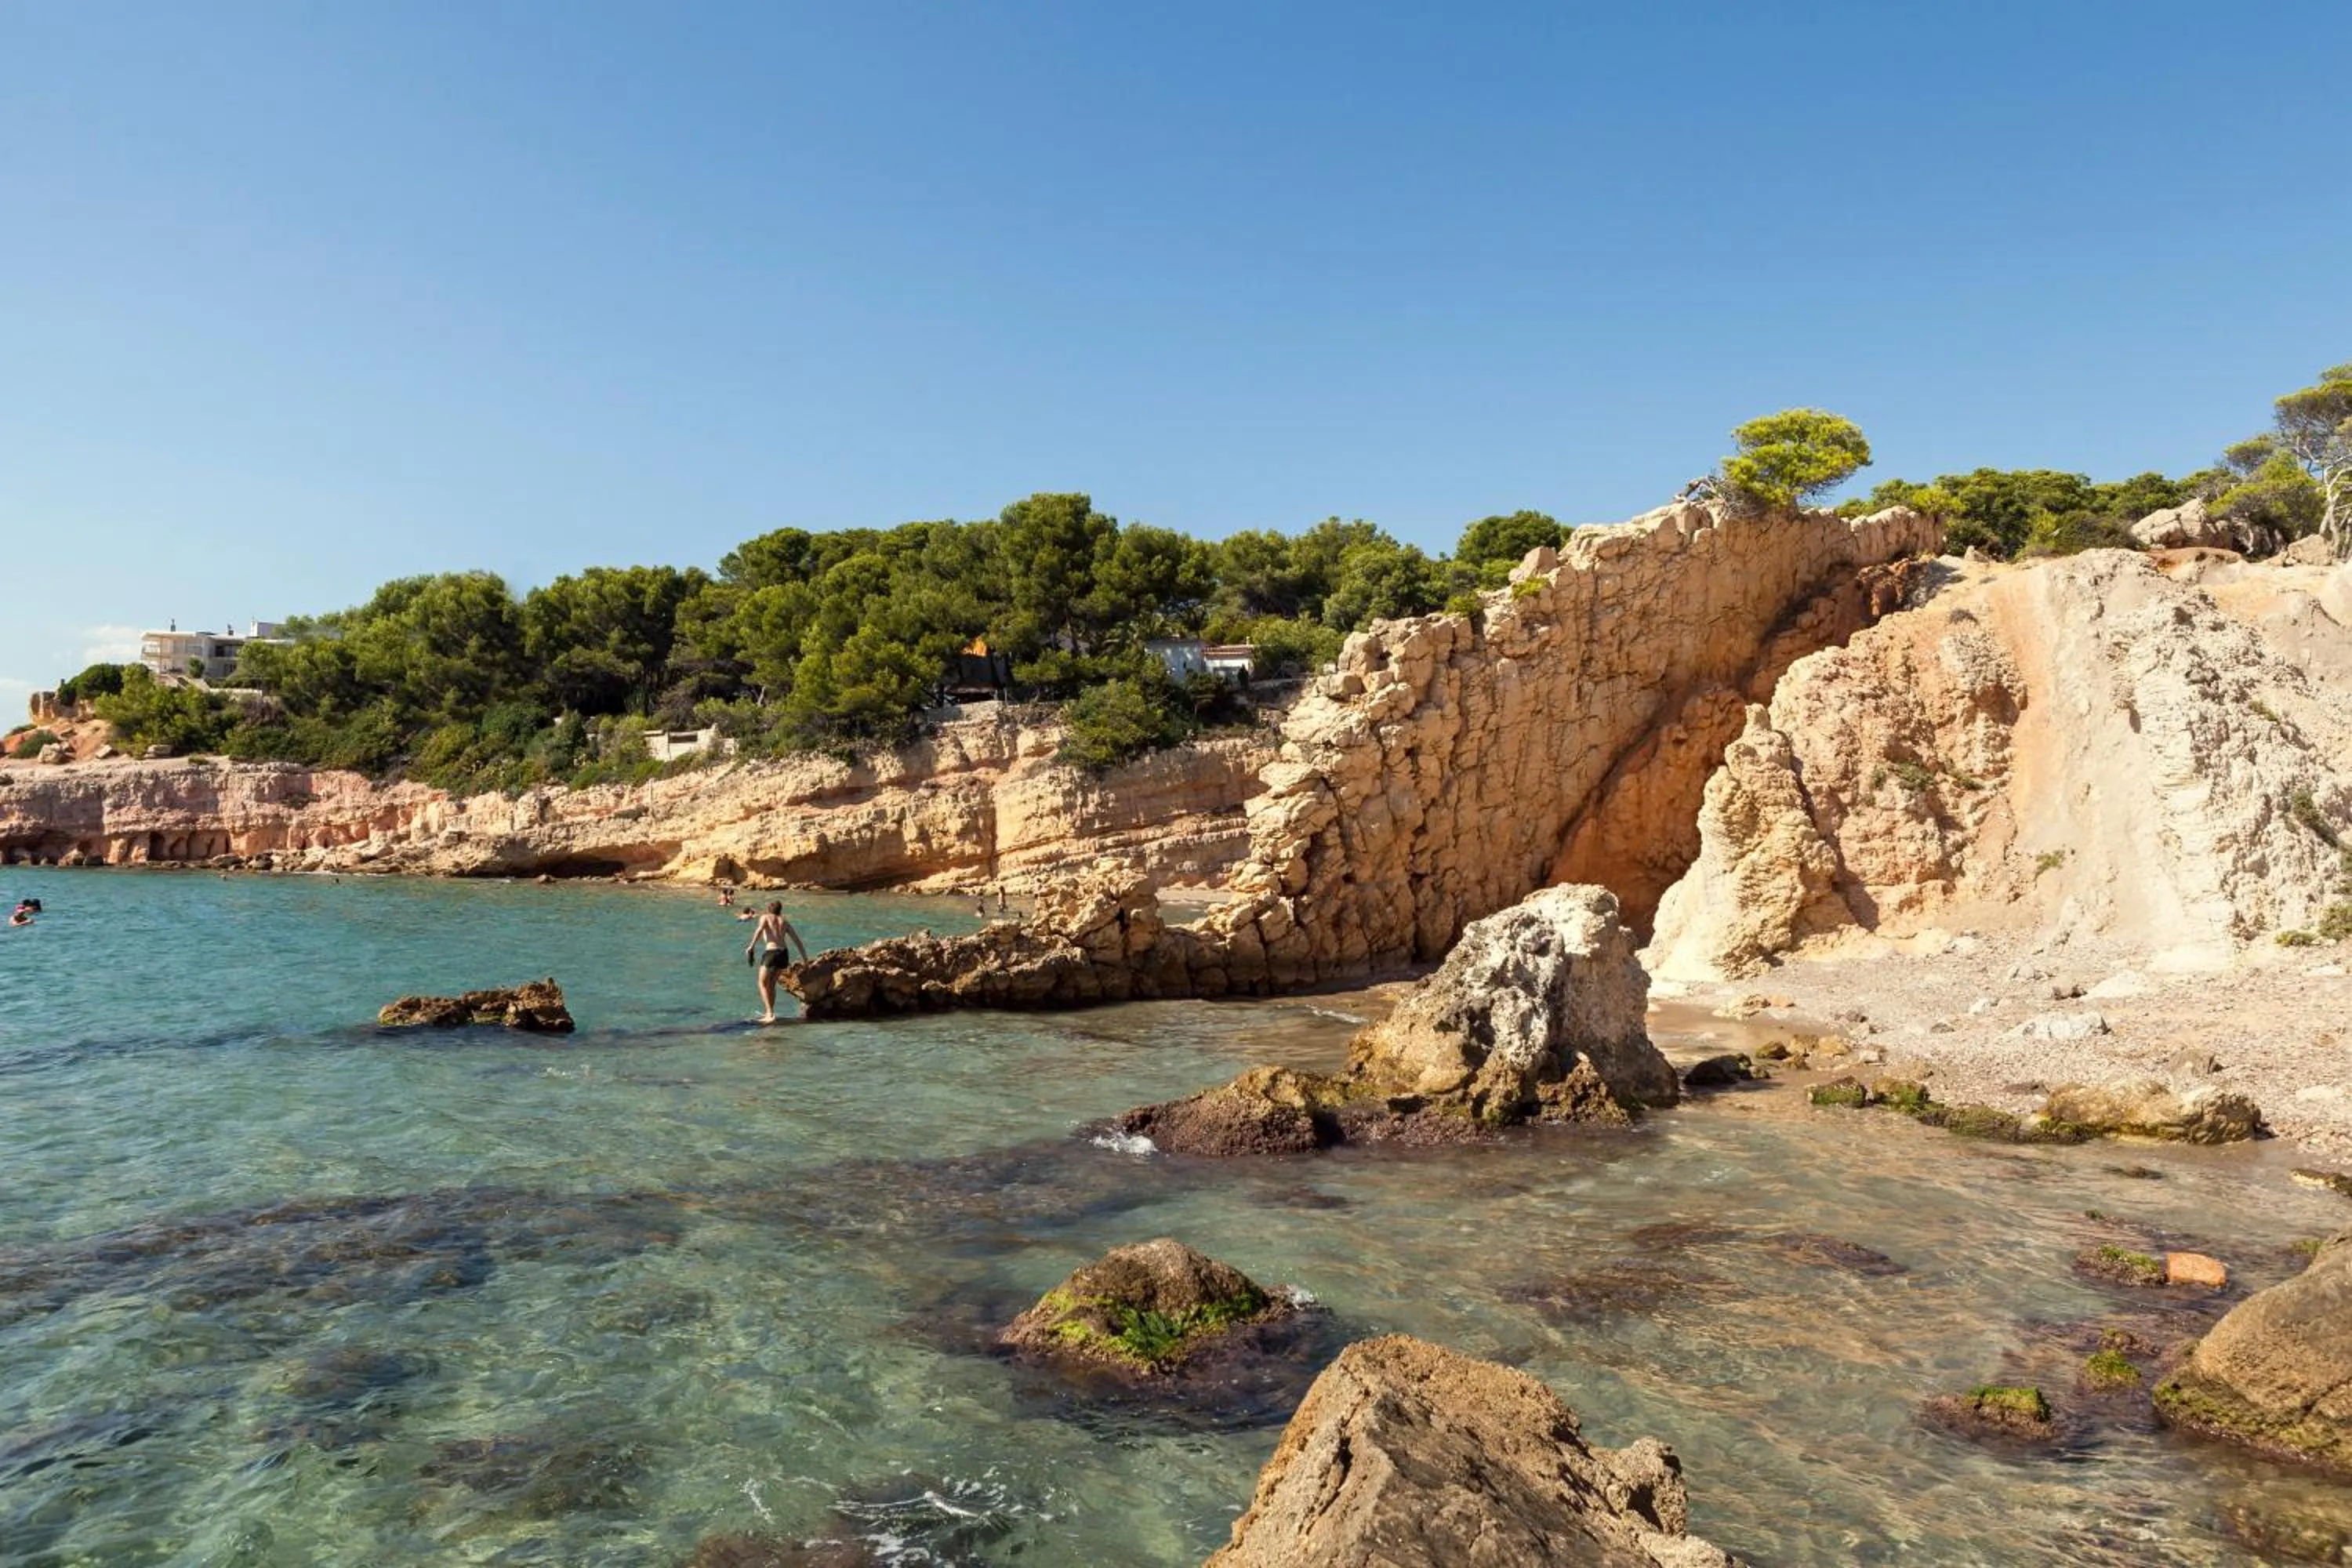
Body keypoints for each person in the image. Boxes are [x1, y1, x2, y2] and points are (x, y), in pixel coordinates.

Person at [744, 900, 809, 1024]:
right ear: (780, 910)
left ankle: (769, 1014)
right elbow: (797, 940)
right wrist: (805, 958)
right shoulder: (784, 921)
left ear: (768, 909)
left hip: (771, 953)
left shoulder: (765, 917)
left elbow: (759, 930)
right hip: (784, 954)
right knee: (771, 984)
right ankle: (771, 1011)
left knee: (762, 983)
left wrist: (751, 946)